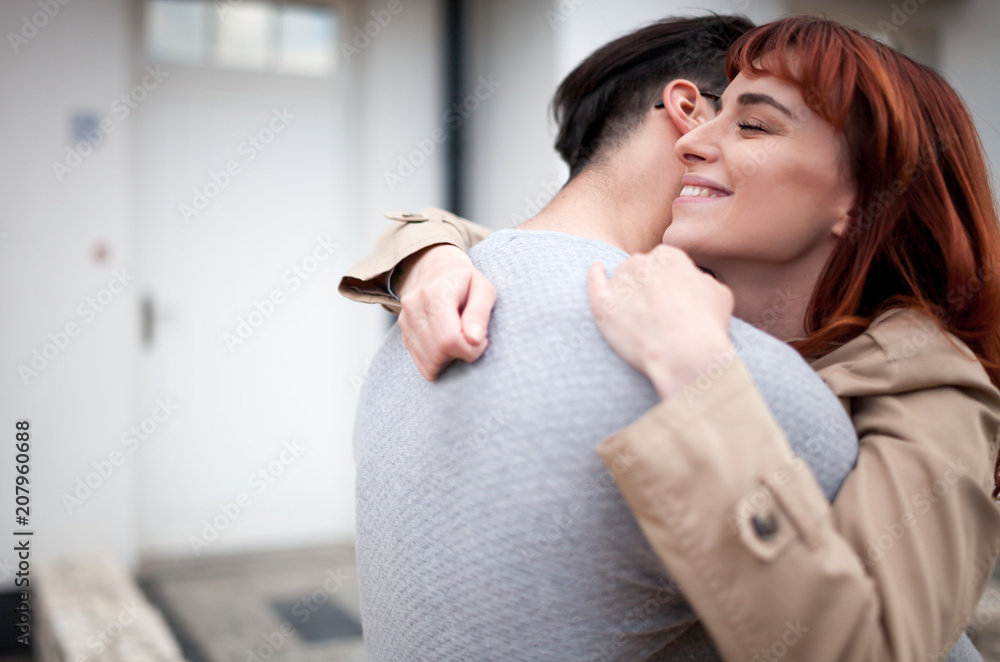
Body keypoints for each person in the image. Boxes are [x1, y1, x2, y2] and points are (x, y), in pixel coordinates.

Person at [342, 14, 1000, 662]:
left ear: (867, 196)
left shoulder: (927, 381)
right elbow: (551, 254)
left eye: (752, 123)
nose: (687, 142)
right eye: (715, 113)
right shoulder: (696, 293)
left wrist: (700, 376)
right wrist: (428, 251)